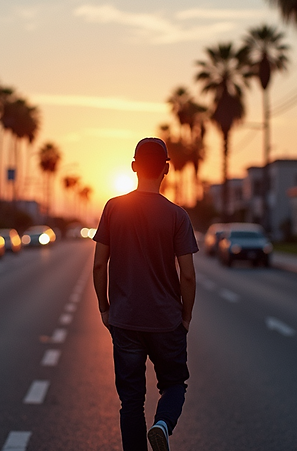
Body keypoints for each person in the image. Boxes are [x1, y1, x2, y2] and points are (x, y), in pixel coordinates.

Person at [93, 137, 198, 451]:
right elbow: (188, 276)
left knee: (131, 401)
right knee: (174, 384)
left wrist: (104, 308)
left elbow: (99, 265)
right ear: (166, 170)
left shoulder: (113, 208)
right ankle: (163, 425)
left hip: (125, 320)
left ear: (134, 167)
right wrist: (186, 316)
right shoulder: (178, 216)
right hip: (166, 320)